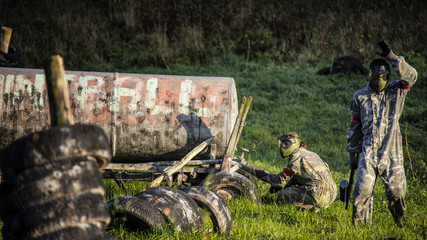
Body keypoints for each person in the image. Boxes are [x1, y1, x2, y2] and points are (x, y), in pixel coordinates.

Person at [345, 41, 418, 226]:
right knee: (362, 190)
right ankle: (361, 228)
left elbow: (412, 76)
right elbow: (355, 126)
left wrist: (393, 57)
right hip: (368, 151)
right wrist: (353, 153)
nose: (379, 79)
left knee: (397, 193)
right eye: (375, 76)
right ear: (369, 75)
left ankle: (400, 220)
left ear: (388, 76)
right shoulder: (359, 96)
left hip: (392, 152)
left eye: (383, 76)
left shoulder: (397, 91)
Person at [257, 132, 337, 212]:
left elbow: (279, 181)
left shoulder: (296, 157)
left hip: (318, 194)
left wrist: (262, 175)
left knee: (282, 195)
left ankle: (309, 208)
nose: (283, 147)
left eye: (286, 144)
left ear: (294, 144)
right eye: (283, 144)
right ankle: (317, 204)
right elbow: (295, 177)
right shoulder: (311, 154)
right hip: (332, 193)